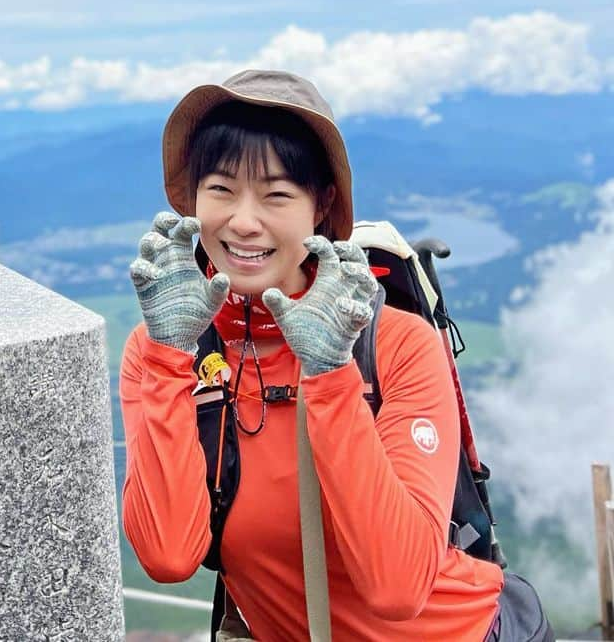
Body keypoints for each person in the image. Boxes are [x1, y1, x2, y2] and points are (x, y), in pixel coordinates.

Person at [120, 69, 506, 642]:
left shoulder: (395, 346)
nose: (243, 222)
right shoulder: (165, 349)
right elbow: (169, 555)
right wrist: (169, 354)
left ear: (321, 205)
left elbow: (398, 588)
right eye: (220, 190)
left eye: (277, 194)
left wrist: (329, 375)